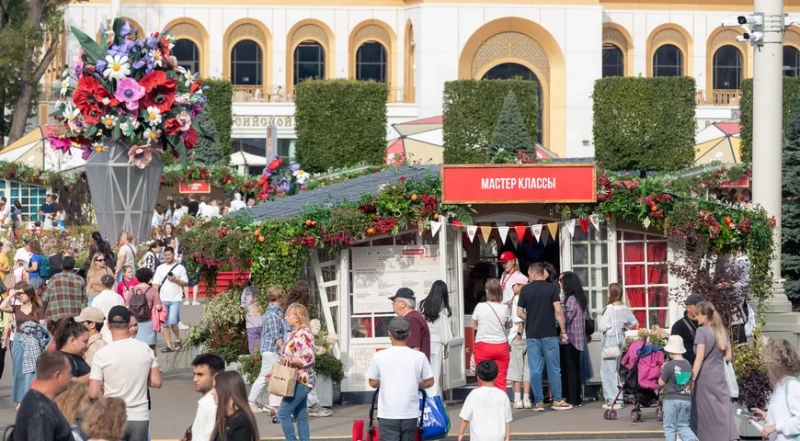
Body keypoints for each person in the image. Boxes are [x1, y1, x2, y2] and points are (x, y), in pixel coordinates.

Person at [89, 305, 162, 441]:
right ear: (129, 324)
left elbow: (93, 392)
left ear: (108, 325)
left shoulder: (101, 354)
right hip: (139, 416)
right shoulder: (145, 349)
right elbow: (157, 382)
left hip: (112, 415)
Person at [367, 316, 434, 441]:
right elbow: (430, 382)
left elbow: (372, 382)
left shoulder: (379, 356)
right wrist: (417, 383)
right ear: (409, 334)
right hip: (410, 413)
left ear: (389, 334)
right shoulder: (419, 356)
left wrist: (383, 382)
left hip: (387, 413)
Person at [517, 263, 571, 411]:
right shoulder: (552, 288)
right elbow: (558, 311)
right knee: (554, 368)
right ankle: (557, 400)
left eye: (529, 274)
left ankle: (539, 402)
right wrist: (564, 330)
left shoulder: (525, 290)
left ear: (533, 274)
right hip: (549, 333)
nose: (529, 277)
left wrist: (530, 318)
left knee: (535, 369)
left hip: (532, 334)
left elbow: (519, 312)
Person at [690, 301, 737, 441]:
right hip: (720, 375)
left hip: (705, 377)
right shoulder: (722, 330)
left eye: (697, 315)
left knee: (705, 411)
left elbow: (699, 358)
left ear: (705, 316)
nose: (696, 318)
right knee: (721, 408)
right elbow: (729, 355)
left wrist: (692, 378)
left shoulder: (701, 331)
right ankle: (727, 436)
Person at [0, 282, 46, 407]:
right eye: (18, 294)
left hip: (33, 340)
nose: (20, 296)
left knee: (30, 371)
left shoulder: (38, 309)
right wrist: (13, 294)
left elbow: (43, 327)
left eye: (22, 294)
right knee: (18, 370)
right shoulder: (16, 307)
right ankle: (20, 399)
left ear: (30, 294)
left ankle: (28, 397)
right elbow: (2, 307)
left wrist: (35, 329)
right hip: (18, 340)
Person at [13, 350, 73, 441]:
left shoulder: (34, 399)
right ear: (57, 375)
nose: (71, 377)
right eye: (69, 373)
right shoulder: (41, 412)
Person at [277, 304, 316, 441]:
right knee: (300, 415)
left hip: (301, 379)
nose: (286, 318)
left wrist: (289, 359)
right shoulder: (295, 333)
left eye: (289, 315)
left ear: (297, 318)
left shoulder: (303, 334)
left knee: (282, 413)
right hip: (298, 378)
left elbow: (308, 357)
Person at [749, 337, 800, 441]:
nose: (766, 364)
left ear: (777, 363)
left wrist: (775, 427)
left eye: (769, 360)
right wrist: (766, 416)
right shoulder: (780, 385)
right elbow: (783, 417)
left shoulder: (792, 385)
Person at [598, 283, 637, 410]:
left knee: (608, 371)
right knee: (616, 369)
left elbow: (602, 326)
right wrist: (622, 327)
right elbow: (632, 321)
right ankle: (617, 398)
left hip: (610, 339)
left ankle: (613, 400)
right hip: (620, 338)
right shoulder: (624, 307)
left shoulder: (609, 308)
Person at [247, 285, 285, 414]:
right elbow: (276, 335)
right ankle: (251, 401)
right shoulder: (273, 314)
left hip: (271, 349)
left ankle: (268, 402)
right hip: (271, 350)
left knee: (270, 377)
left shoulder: (275, 312)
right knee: (264, 376)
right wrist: (285, 349)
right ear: (280, 297)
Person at [472, 279, 512, 390]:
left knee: (483, 378)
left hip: (483, 346)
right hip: (501, 346)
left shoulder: (480, 306)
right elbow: (509, 325)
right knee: (501, 379)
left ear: (487, 291)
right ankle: (501, 405)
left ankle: (485, 405)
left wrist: (484, 328)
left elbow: (473, 324)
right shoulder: (504, 308)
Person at [458, 360, 513, 441]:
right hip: (498, 437)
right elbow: (507, 420)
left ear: (478, 376)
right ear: (497, 375)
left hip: (478, 437)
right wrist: (507, 438)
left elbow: (466, 418)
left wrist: (461, 433)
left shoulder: (474, 394)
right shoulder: (503, 395)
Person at [557, 271, 588, 407]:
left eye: (561, 281)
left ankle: (570, 398)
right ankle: (576, 397)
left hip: (569, 338)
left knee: (568, 369)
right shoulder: (580, 298)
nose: (560, 283)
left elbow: (567, 318)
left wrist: (558, 313)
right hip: (579, 338)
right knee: (575, 369)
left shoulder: (571, 300)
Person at [658, 335, 698, 441]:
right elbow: (686, 383)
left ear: (670, 351)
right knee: (683, 426)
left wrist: (663, 370)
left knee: (670, 427)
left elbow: (661, 383)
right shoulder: (688, 364)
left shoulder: (669, 365)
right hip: (686, 399)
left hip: (671, 400)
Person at [418, 280, 453, 397]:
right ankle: (433, 399)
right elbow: (445, 331)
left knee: (423, 373)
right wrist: (446, 347)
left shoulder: (422, 305)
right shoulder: (443, 309)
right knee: (435, 373)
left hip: (424, 343)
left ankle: (423, 398)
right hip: (437, 344)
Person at [153, 246, 188, 352]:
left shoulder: (180, 268)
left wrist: (175, 280)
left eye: (169, 255)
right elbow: (155, 284)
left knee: (173, 321)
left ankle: (177, 338)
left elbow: (185, 282)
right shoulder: (160, 268)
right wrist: (156, 298)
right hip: (163, 298)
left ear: (173, 255)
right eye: (166, 255)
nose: (167, 257)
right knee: (165, 323)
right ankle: (168, 345)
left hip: (175, 298)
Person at [211, 372, 260, 441]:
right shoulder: (224, 416)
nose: (212, 392)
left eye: (215, 387)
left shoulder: (240, 422)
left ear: (227, 390)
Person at [190, 353, 226, 441]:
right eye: (194, 374)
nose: (195, 379)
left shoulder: (213, 404)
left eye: (200, 375)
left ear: (216, 376)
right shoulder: (207, 401)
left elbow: (208, 437)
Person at [42, 255, 87, 324]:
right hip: (73, 318)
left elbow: (45, 298)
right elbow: (84, 301)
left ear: (61, 266)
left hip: (56, 317)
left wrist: (43, 312)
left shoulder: (54, 278)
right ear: (73, 266)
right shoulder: (80, 280)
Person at [508, 280, 531, 409]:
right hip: (530, 336)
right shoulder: (530, 297)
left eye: (515, 284)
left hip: (518, 336)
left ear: (522, 285)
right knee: (528, 369)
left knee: (517, 369)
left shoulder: (518, 298)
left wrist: (519, 333)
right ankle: (527, 398)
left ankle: (517, 399)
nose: (512, 286)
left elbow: (519, 319)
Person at [390, 288, 430, 360]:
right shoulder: (414, 316)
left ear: (403, 303)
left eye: (394, 301)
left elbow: (414, 348)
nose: (392, 303)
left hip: (415, 367)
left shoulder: (411, 319)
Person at [129, 268, 163, 353]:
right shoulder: (153, 290)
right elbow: (158, 307)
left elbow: (127, 306)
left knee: (136, 345)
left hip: (135, 321)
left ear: (137, 278)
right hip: (149, 320)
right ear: (149, 278)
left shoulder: (132, 289)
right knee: (151, 347)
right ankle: (153, 365)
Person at [53, 317, 91, 383]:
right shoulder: (60, 360)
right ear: (73, 340)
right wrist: (94, 375)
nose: (87, 345)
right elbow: (68, 383)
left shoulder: (77, 357)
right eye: (85, 341)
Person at [670, 294, 703, 365]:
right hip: (686, 366)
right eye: (697, 306)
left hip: (703, 366)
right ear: (688, 308)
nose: (700, 309)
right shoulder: (678, 326)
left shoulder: (704, 323)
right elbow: (674, 349)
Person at [91, 274, 124, 343]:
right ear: (112, 284)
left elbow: (93, 317)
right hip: (116, 329)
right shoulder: (118, 298)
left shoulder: (97, 299)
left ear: (102, 284)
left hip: (102, 331)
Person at [241, 282, 262, 353]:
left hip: (251, 323)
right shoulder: (262, 288)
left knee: (253, 348)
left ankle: (254, 362)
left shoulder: (246, 290)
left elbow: (243, 306)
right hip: (262, 322)